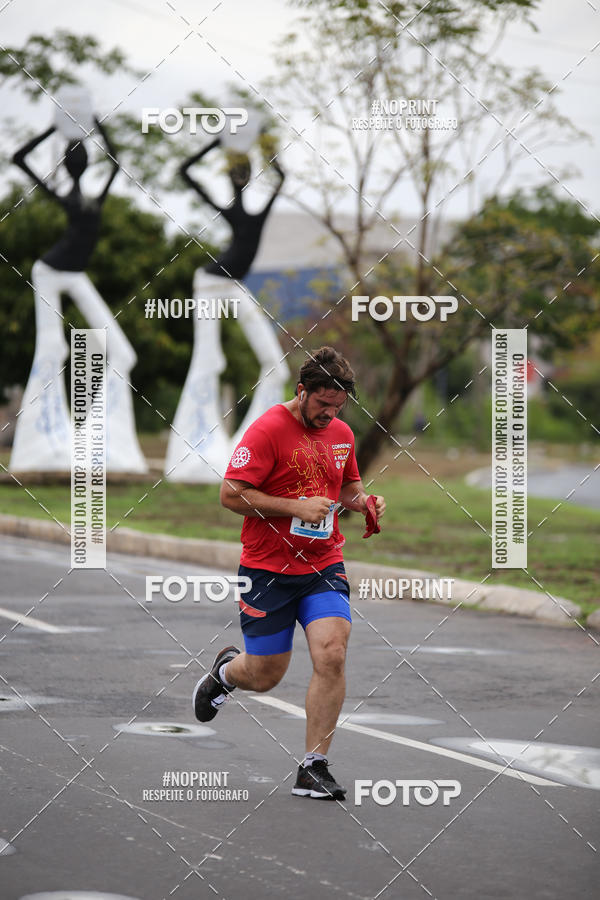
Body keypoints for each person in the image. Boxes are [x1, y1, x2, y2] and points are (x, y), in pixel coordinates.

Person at [192, 347, 385, 800]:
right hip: (267, 569)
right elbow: (230, 494)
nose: (329, 414)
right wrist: (295, 506)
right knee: (265, 675)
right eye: (322, 404)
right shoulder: (268, 429)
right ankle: (225, 673)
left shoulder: (341, 434)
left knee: (332, 653)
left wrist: (364, 501)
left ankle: (313, 767)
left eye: (338, 407)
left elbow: (348, 484)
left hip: (323, 564)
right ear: (302, 392)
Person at [9, 120, 146, 472]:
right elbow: (20, 158)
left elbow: (115, 162)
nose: (80, 161)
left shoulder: (92, 197)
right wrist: (53, 129)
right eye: (76, 156)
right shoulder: (66, 196)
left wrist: (96, 124)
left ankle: (97, 441)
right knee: (53, 349)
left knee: (123, 354)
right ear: (72, 165)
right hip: (50, 272)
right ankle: (43, 441)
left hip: (75, 274)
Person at [165, 138, 289, 482]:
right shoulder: (232, 210)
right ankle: (193, 453)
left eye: (243, 173)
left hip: (233, 286)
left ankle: (254, 449)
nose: (240, 178)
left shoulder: (255, 211)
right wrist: (217, 143)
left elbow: (281, 179)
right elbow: (184, 172)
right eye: (236, 173)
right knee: (209, 361)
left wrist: (265, 148)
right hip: (207, 284)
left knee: (276, 366)